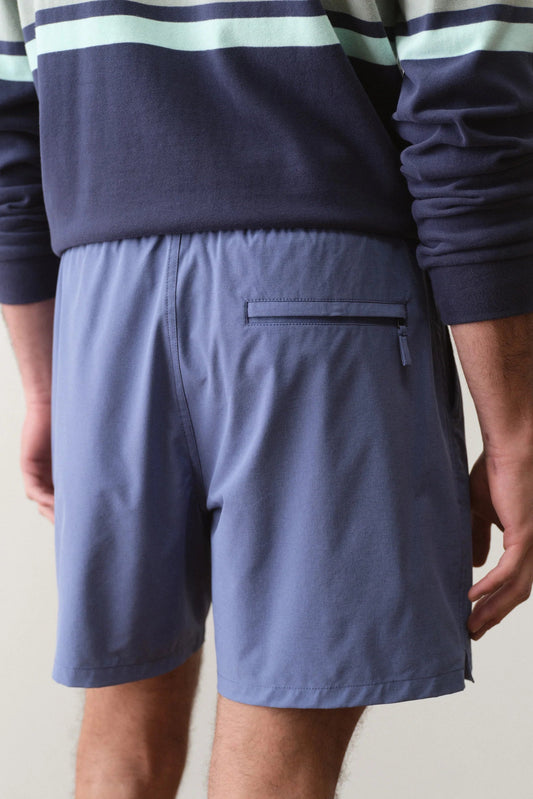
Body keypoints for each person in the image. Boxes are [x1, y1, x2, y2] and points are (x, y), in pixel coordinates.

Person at [1, 0, 532, 795]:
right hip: (319, 291)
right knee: (280, 748)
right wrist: (515, 430)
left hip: (99, 308)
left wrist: (45, 384)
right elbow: (467, 107)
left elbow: (11, 124)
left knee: (124, 719)